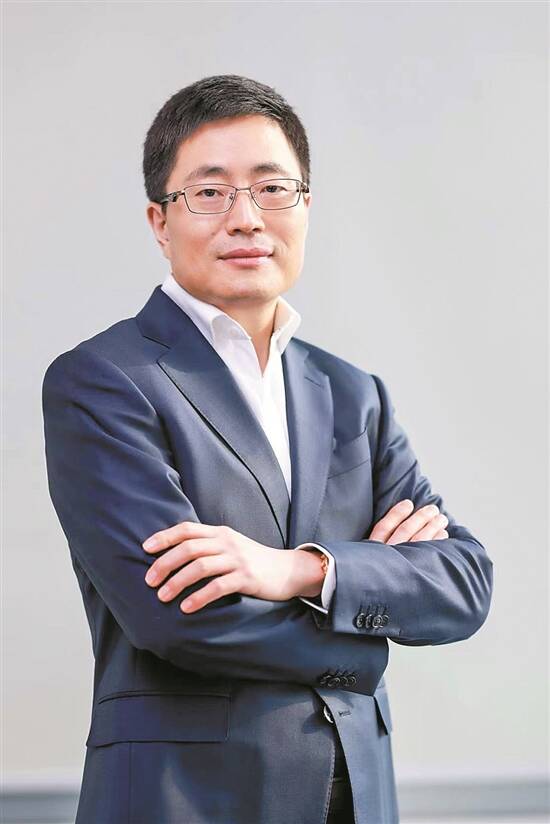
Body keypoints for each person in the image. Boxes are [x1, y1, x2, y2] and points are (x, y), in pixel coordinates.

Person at [42, 74, 493, 824]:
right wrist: (370, 627)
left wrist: (301, 571)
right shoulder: (104, 380)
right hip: (186, 801)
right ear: (159, 221)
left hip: (358, 798)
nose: (246, 218)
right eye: (210, 193)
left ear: (305, 207)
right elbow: (178, 615)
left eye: (273, 189)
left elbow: (463, 581)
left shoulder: (353, 394)